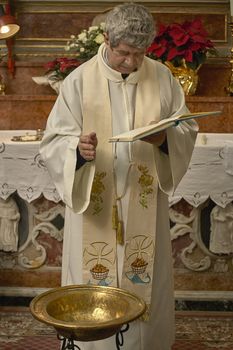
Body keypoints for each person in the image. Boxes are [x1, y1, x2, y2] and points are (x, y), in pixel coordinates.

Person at [40, 3, 198, 349]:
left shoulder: (162, 77)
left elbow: (185, 127)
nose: (131, 62)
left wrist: (165, 139)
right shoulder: (80, 80)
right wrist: (77, 151)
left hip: (144, 204)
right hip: (96, 204)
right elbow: (54, 139)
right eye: (124, 53)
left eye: (139, 54)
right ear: (107, 39)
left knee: (145, 279)